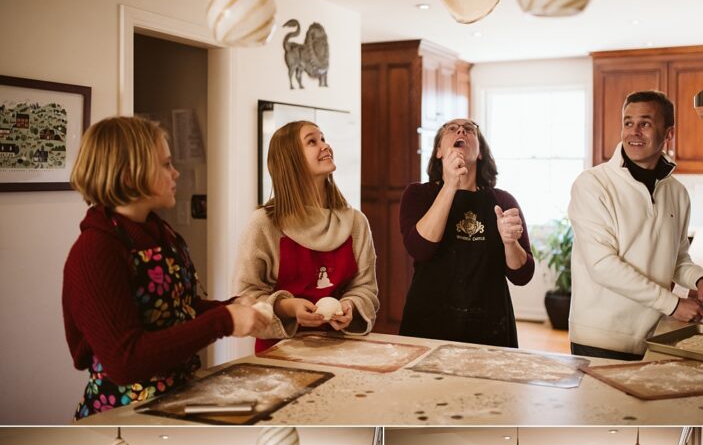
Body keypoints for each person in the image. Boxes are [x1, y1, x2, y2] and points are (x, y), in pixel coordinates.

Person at [63, 116, 270, 419]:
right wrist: (223, 321)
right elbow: (125, 361)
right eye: (165, 164)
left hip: (176, 397)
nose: (175, 173)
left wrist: (231, 307)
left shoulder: (163, 235)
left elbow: (178, 311)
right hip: (122, 414)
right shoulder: (95, 252)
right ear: (130, 175)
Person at [568, 91, 703, 360]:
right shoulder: (593, 184)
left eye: (645, 123)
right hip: (601, 336)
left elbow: (676, 257)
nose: (634, 132)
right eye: (628, 123)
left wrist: (699, 279)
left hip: (656, 333)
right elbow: (603, 266)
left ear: (669, 133)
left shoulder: (676, 193)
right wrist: (673, 304)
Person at [232, 120, 379, 352]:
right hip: (278, 355)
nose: (325, 145)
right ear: (291, 161)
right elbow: (245, 296)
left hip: (342, 350)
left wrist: (350, 306)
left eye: (323, 138)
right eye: (313, 141)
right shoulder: (265, 224)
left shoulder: (355, 223)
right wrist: (288, 307)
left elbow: (365, 287)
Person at [399, 119, 534, 346]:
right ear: (439, 151)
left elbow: (523, 275)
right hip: (428, 324)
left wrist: (511, 243)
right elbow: (420, 248)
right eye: (452, 128)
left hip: (490, 327)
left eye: (470, 129)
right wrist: (450, 185)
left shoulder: (502, 200)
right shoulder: (417, 195)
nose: (461, 130)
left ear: (480, 153)